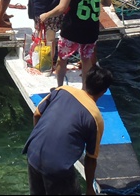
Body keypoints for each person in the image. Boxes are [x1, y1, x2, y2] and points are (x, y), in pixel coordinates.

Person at [23, 64, 114, 195]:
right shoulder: (95, 117)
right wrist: (89, 188)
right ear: (103, 91)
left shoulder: (62, 90)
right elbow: (91, 158)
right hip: (57, 167)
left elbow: (37, 114)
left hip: (33, 153)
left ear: (85, 80)